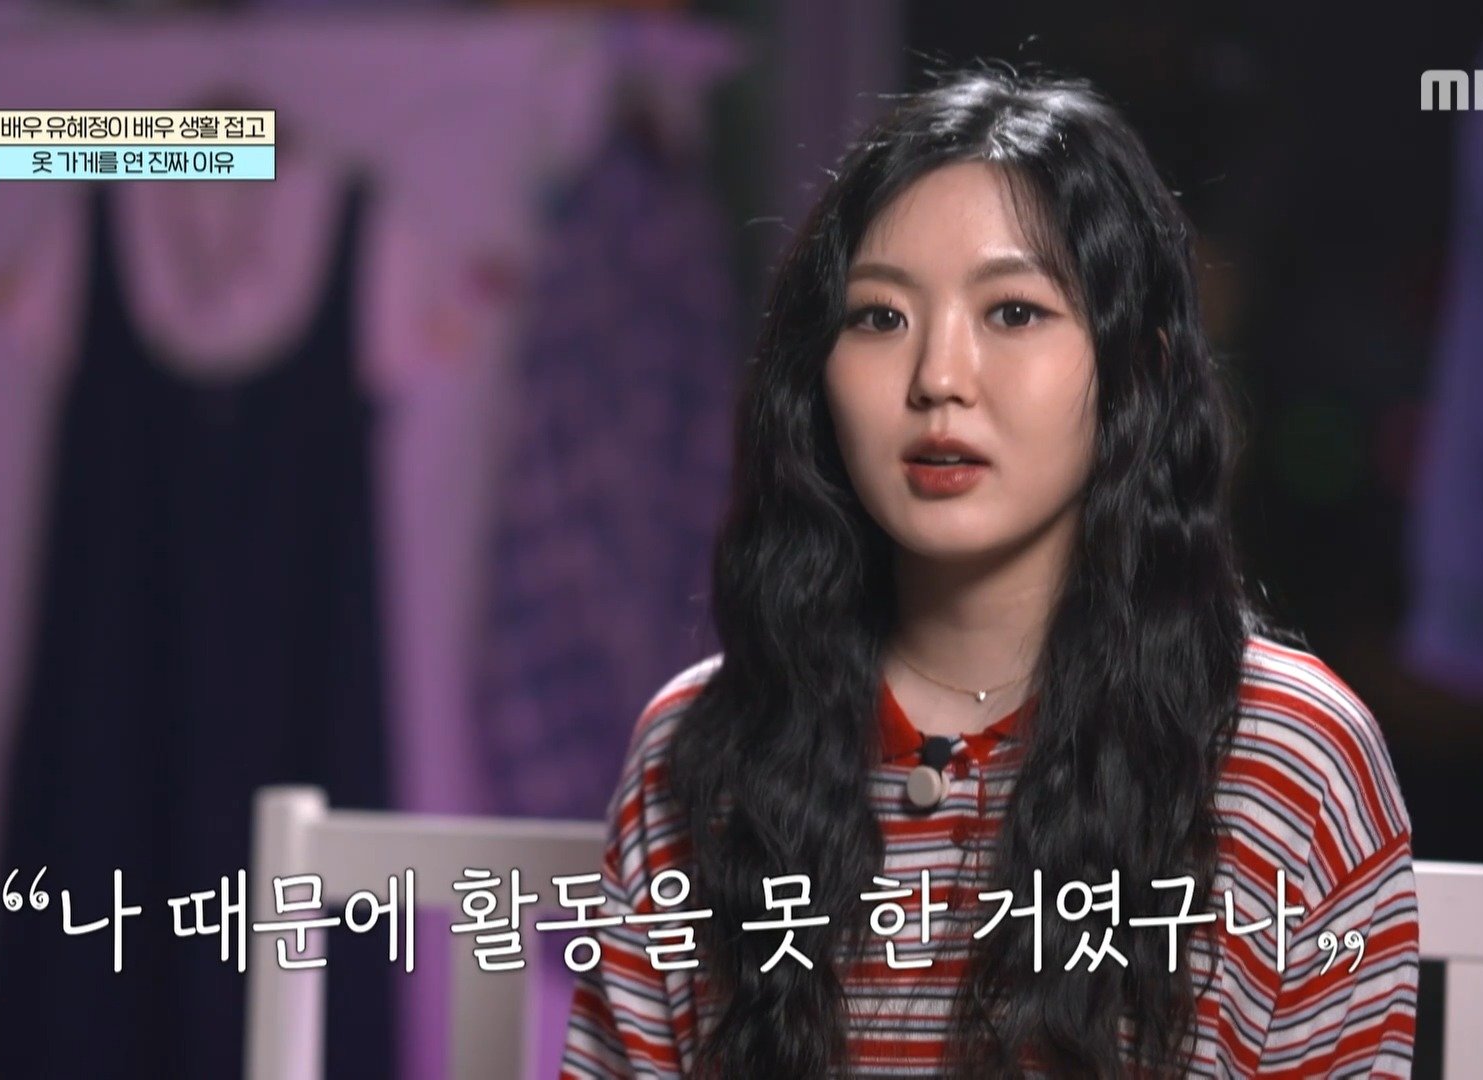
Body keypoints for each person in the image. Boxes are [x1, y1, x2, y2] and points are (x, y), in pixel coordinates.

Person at [557, 64, 1418, 1079]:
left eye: (1013, 312)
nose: (939, 378)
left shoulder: (1286, 757)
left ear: (1137, 369)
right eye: (880, 316)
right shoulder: (697, 748)